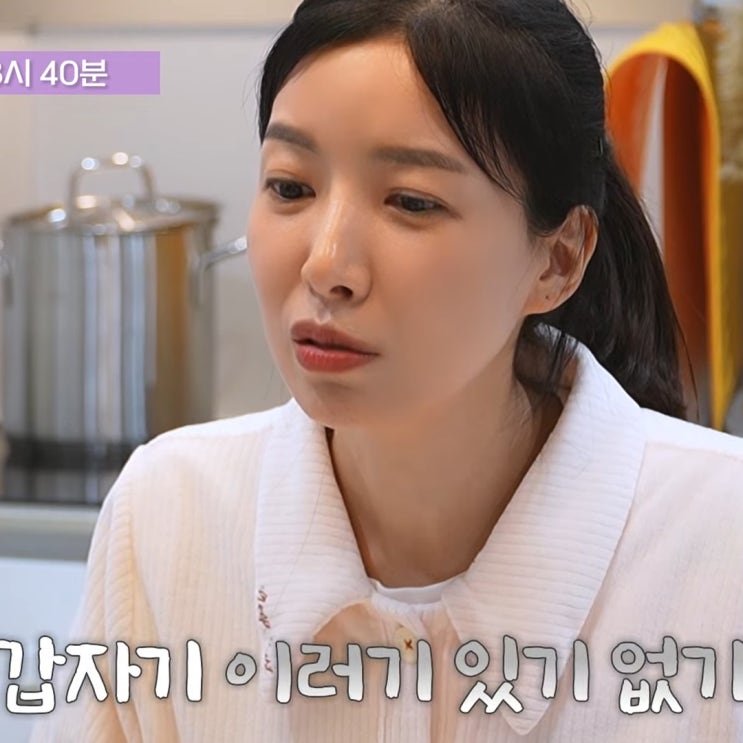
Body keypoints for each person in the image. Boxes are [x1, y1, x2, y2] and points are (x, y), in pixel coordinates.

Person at [31, 0, 743, 741]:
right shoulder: (170, 511)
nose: (326, 264)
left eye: (410, 201)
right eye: (290, 187)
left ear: (558, 259)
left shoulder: (723, 538)